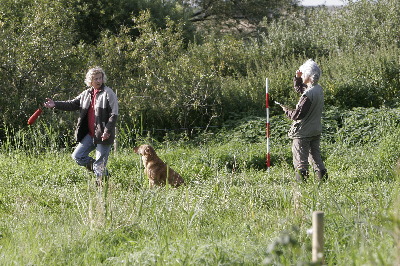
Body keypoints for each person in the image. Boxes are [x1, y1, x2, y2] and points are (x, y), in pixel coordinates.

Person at [44, 67, 118, 185]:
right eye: (96, 79)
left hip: (103, 135)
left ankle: (102, 186)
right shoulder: (86, 94)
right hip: (90, 134)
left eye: (100, 78)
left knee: (100, 164)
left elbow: (114, 115)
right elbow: (72, 104)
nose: (99, 81)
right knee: (78, 156)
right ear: (90, 81)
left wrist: (107, 131)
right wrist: (55, 104)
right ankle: (103, 174)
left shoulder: (109, 93)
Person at [279, 59, 328, 182]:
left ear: (308, 75)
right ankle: (323, 181)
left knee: (300, 161)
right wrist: (297, 78)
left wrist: (286, 110)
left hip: (303, 133)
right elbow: (302, 89)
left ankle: (302, 185)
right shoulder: (318, 89)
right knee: (316, 158)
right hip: (315, 130)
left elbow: (297, 115)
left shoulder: (308, 95)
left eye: (303, 73)